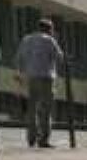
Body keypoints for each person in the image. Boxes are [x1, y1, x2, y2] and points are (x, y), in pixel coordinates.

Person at [15, 19, 64, 148]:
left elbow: (19, 58)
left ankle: (31, 138)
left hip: (30, 77)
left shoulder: (26, 39)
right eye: (52, 29)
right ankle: (43, 139)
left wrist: (20, 74)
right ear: (49, 29)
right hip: (46, 78)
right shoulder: (49, 40)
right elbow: (59, 57)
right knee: (45, 110)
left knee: (32, 109)